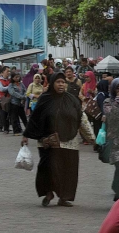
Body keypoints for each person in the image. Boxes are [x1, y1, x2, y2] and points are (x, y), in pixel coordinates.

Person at [21, 72, 95, 207]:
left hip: (69, 142)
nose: (61, 85)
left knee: (68, 170)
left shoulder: (72, 100)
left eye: (63, 82)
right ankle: (49, 192)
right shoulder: (45, 99)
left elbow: (81, 119)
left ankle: (64, 197)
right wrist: (26, 135)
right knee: (48, 168)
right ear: (52, 83)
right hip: (48, 141)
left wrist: (92, 139)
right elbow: (35, 118)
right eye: (58, 82)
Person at [0, 66, 12, 133]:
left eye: (9, 71)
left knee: (8, 114)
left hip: (9, 99)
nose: (8, 73)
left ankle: (7, 128)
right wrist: (10, 87)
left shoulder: (10, 80)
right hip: (2, 99)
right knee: (3, 114)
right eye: (7, 71)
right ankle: (2, 127)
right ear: (2, 72)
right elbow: (1, 89)